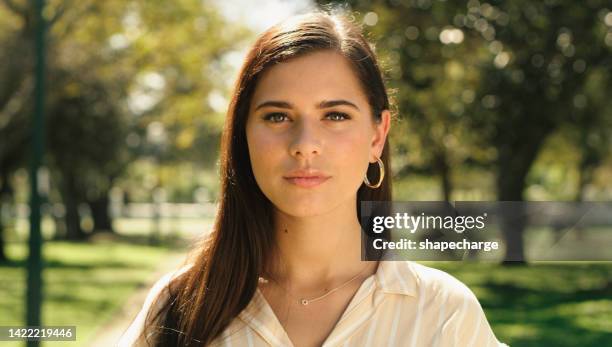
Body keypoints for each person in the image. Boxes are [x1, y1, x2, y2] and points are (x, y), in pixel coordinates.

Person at [118, 10, 508, 347]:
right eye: (277, 116)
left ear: (377, 135)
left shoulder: (443, 314)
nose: (305, 145)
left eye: (335, 115)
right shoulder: (181, 305)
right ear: (244, 134)